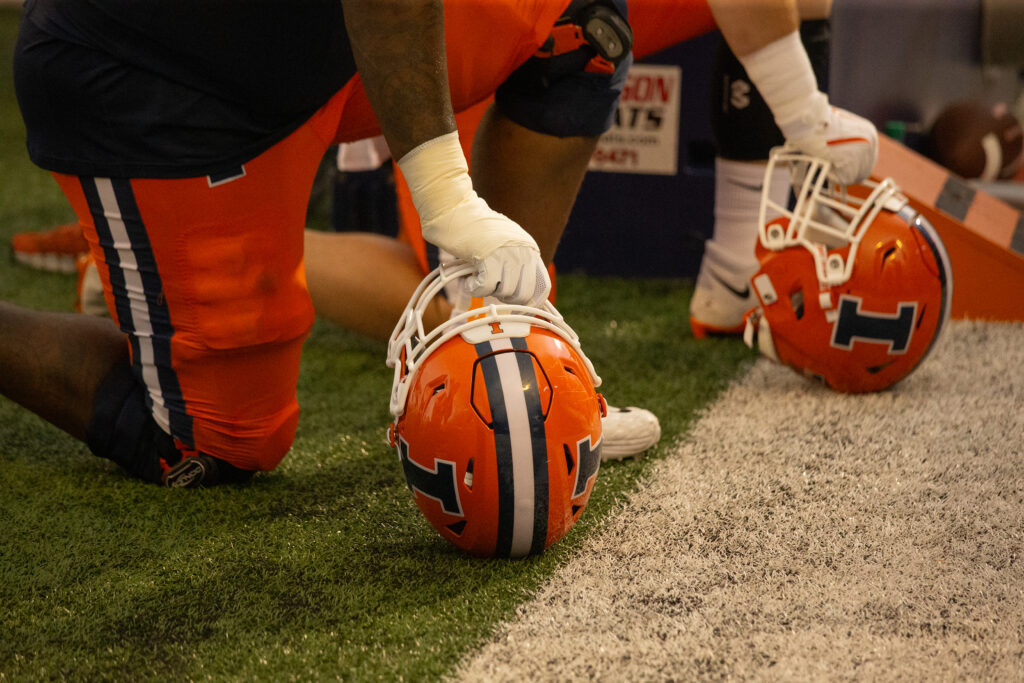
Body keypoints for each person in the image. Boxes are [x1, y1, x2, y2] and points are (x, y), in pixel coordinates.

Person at [1, 0, 605, 487]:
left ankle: (518, 363)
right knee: (217, 443)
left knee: (583, 26)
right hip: (172, 82)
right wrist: (448, 197)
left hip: (324, 42)